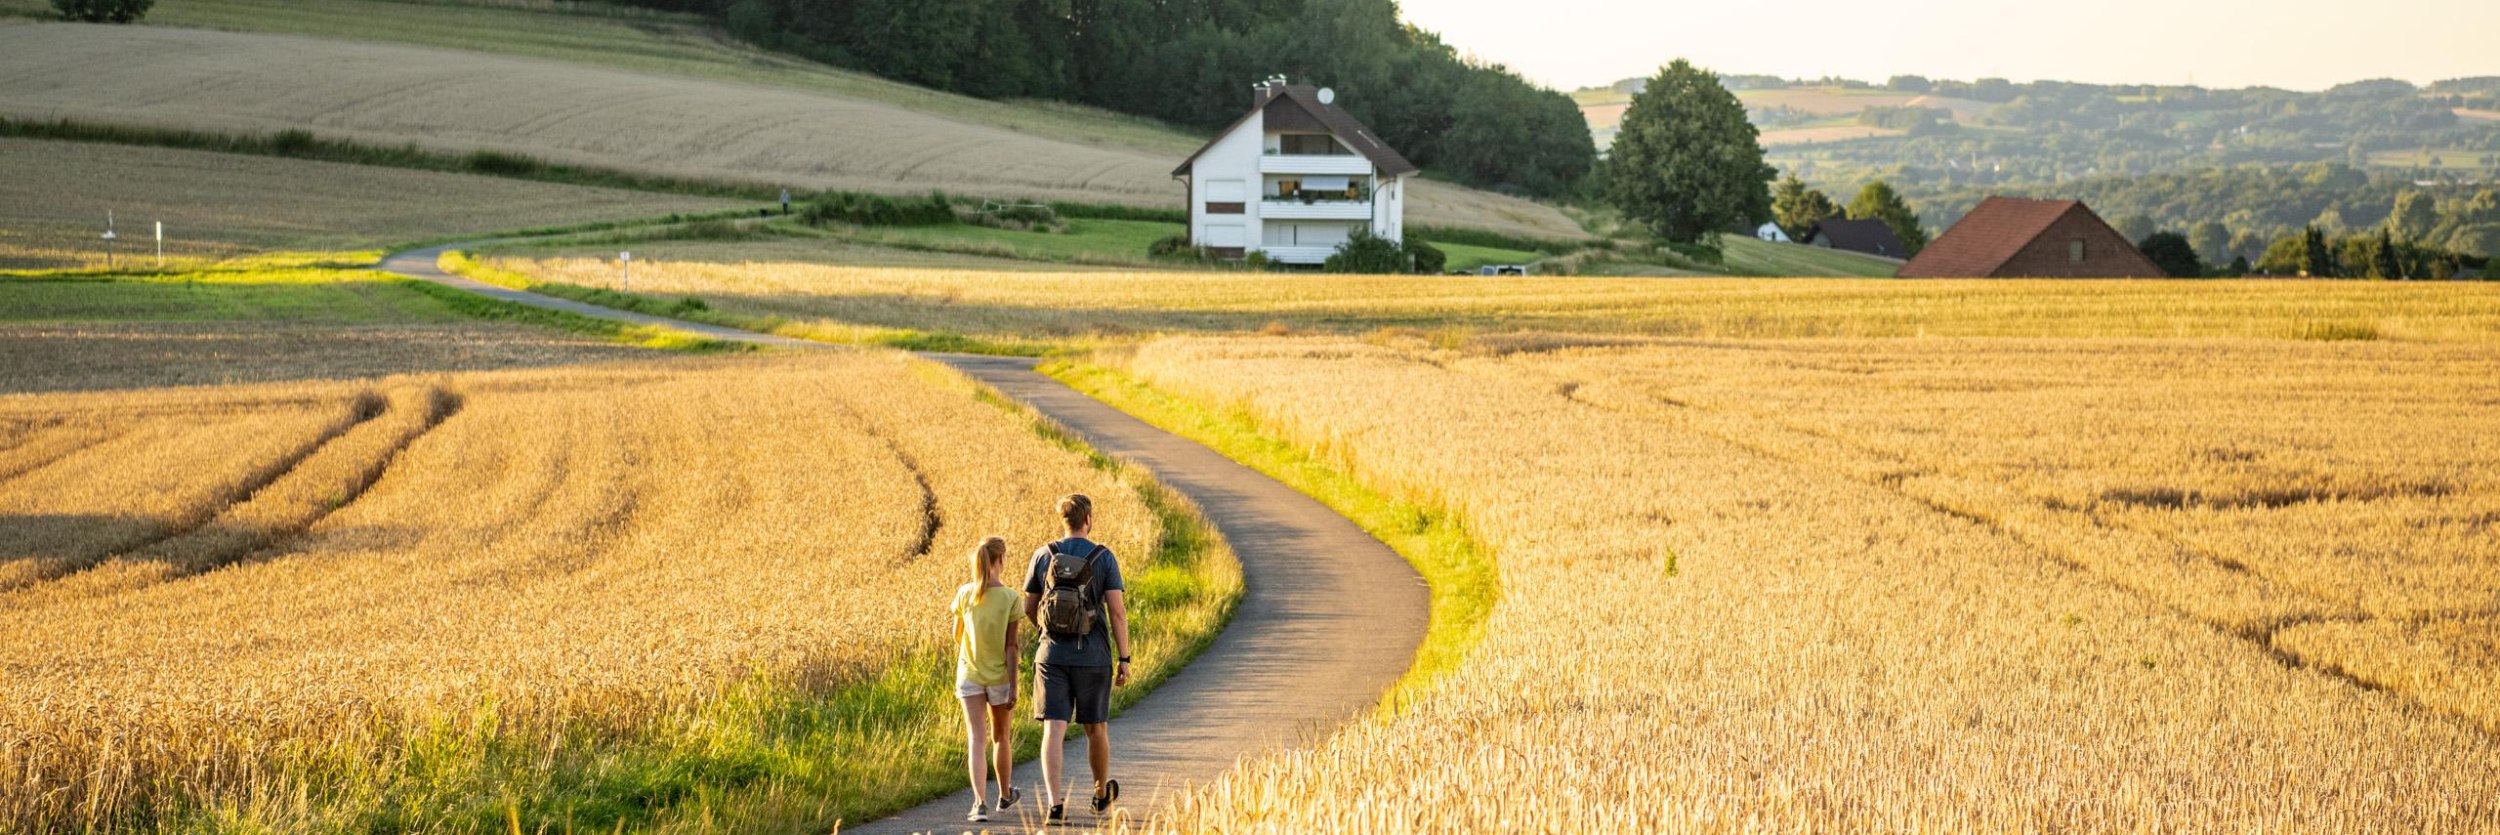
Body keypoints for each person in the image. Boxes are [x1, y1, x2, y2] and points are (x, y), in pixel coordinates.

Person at [1023, 494, 1131, 823]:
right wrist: (1124, 658)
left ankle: (1055, 805)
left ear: (1064, 521)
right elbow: (1117, 612)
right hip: (1093, 656)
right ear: (1088, 520)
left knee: (1053, 729)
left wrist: (1048, 631)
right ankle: (1100, 796)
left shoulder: (1043, 554)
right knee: (1095, 728)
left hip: (1051, 655)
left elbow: (1029, 606)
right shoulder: (1104, 557)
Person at [952, 537, 1022, 823]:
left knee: (976, 739)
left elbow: (957, 635)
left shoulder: (965, 593)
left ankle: (979, 804)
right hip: (1000, 677)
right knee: (1001, 737)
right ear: (1001, 559)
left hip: (969, 674)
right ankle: (1004, 796)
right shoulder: (1010, 598)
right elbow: (1012, 646)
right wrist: (1014, 685)